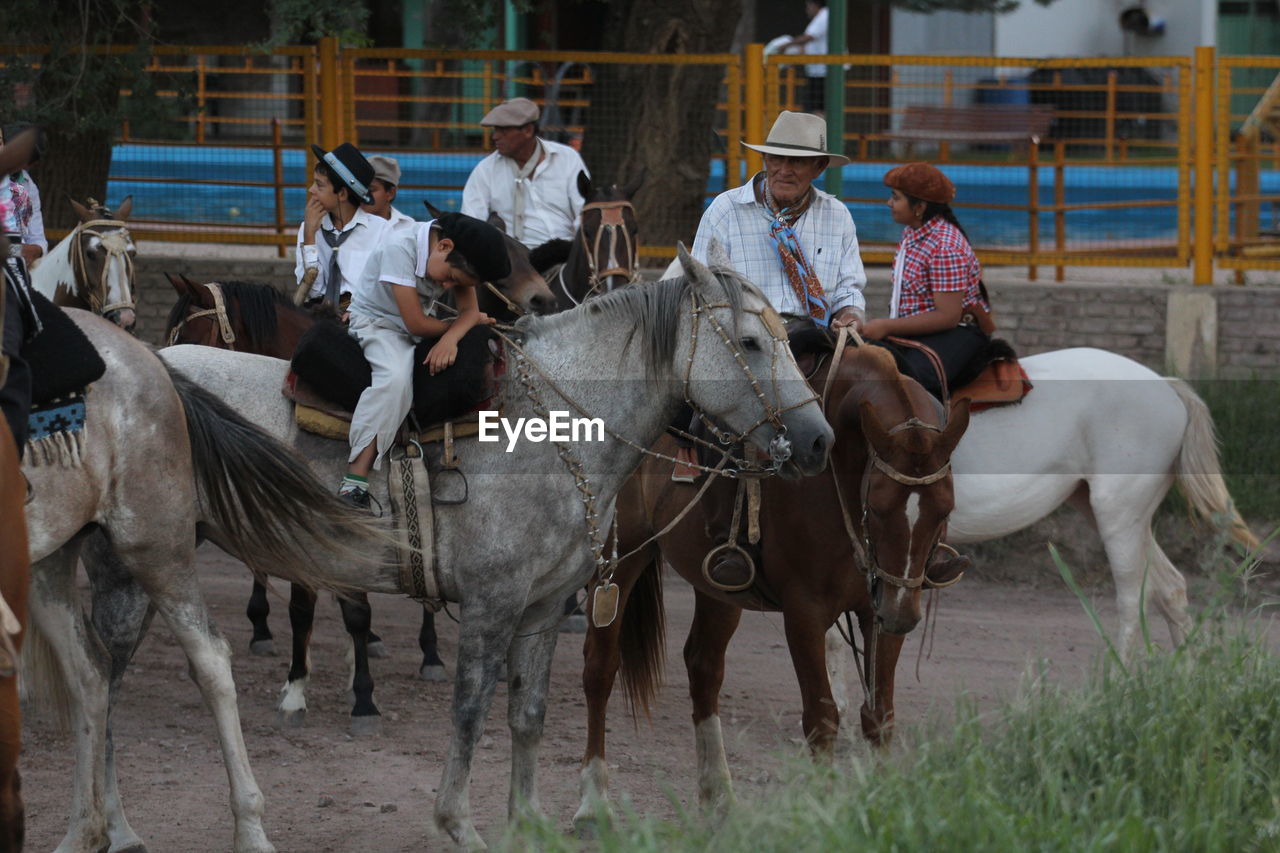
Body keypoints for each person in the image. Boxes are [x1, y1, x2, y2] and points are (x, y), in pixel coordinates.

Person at [684, 109, 866, 589]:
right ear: (764, 160)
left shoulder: (837, 215)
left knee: (876, 404)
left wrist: (851, 314)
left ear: (818, 170)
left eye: (798, 162)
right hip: (745, 344)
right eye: (776, 158)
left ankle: (876, 535)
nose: (785, 169)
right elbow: (699, 286)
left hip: (817, 339)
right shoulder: (726, 209)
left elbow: (849, 289)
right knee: (714, 421)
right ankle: (728, 540)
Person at [337, 211, 509, 508]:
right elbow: (416, 324)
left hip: (421, 327)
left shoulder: (459, 257)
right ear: (444, 246)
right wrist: (461, 326)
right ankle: (355, 479)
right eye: (450, 279)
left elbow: (469, 312)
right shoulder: (399, 249)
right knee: (395, 382)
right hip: (379, 326)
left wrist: (454, 337)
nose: (446, 287)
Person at [865, 162, 993, 401]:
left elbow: (948, 316)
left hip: (958, 332)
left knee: (912, 381)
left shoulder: (945, 247)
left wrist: (886, 326)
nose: (889, 203)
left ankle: (927, 437)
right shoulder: (913, 233)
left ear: (920, 207)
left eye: (896, 198)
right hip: (921, 330)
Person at [461, 97, 589, 250]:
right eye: (495, 130)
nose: (495, 136)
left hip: (566, 253)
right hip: (512, 260)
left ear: (528, 131)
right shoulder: (486, 170)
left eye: (503, 130)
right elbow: (472, 220)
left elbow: (584, 211)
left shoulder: (566, 158)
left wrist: (579, 250)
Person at [294, 142, 389, 312]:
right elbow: (312, 290)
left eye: (320, 185)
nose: (311, 190)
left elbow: (385, 289)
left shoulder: (381, 232)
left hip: (362, 315)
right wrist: (309, 237)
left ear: (342, 194)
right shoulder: (309, 227)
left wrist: (359, 312)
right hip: (318, 312)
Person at [0, 127, 42, 467]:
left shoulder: (19, 187)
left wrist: (13, 248)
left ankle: (11, 464)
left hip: (10, 269)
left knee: (11, 363)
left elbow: (26, 242)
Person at [2, 123, 47, 268]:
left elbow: (38, 238)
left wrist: (38, 249)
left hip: (21, 265)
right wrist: (18, 250)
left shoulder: (28, 186)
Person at [781, 0, 830, 115]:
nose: (807, 10)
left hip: (823, 71)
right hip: (816, 71)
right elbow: (810, 43)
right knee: (814, 106)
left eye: (808, 6)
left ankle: (821, 132)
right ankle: (818, 131)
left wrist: (786, 45)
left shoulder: (824, 16)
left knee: (818, 108)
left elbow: (808, 37)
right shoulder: (820, 18)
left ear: (815, 5)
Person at [361, 155, 416, 228]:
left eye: (371, 190)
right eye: (359, 189)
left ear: (391, 193)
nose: (363, 195)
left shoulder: (409, 228)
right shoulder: (345, 226)